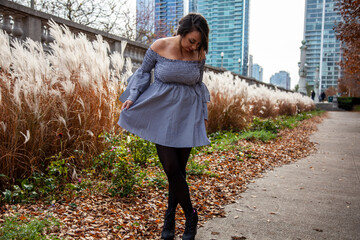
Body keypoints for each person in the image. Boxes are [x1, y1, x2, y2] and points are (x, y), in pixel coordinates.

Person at [118, 13, 210, 240]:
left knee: (178, 171)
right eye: (191, 41)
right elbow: (143, 73)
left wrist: (204, 116)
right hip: (161, 114)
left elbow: (199, 85)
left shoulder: (200, 53)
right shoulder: (159, 46)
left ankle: (169, 218)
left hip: (188, 115)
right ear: (182, 33)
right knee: (170, 167)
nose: (194, 47)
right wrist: (133, 96)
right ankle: (191, 215)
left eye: (198, 43)